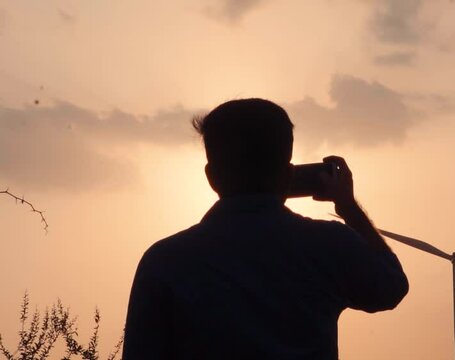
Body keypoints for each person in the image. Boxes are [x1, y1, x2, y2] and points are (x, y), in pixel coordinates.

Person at [122, 98, 409, 359]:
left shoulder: (165, 261)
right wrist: (348, 207)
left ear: (211, 177)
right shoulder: (330, 245)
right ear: (288, 173)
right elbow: (390, 287)